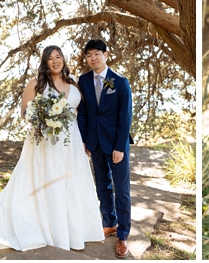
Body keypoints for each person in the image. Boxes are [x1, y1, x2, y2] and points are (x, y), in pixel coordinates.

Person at [0, 45, 105, 251]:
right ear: (45, 62)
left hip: (70, 141)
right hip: (44, 140)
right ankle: (46, 227)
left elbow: (81, 113)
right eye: (50, 59)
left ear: (63, 59)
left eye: (58, 57)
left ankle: (71, 230)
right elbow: (24, 112)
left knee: (69, 180)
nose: (55, 61)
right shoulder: (37, 83)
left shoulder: (74, 82)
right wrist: (45, 118)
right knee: (44, 178)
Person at [77, 39, 134, 259]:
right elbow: (82, 113)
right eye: (89, 55)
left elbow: (125, 116)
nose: (93, 58)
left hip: (116, 145)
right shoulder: (83, 81)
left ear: (106, 55)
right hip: (95, 143)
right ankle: (108, 223)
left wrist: (120, 147)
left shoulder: (120, 82)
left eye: (97, 54)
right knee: (103, 186)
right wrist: (84, 140)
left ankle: (123, 234)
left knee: (122, 190)